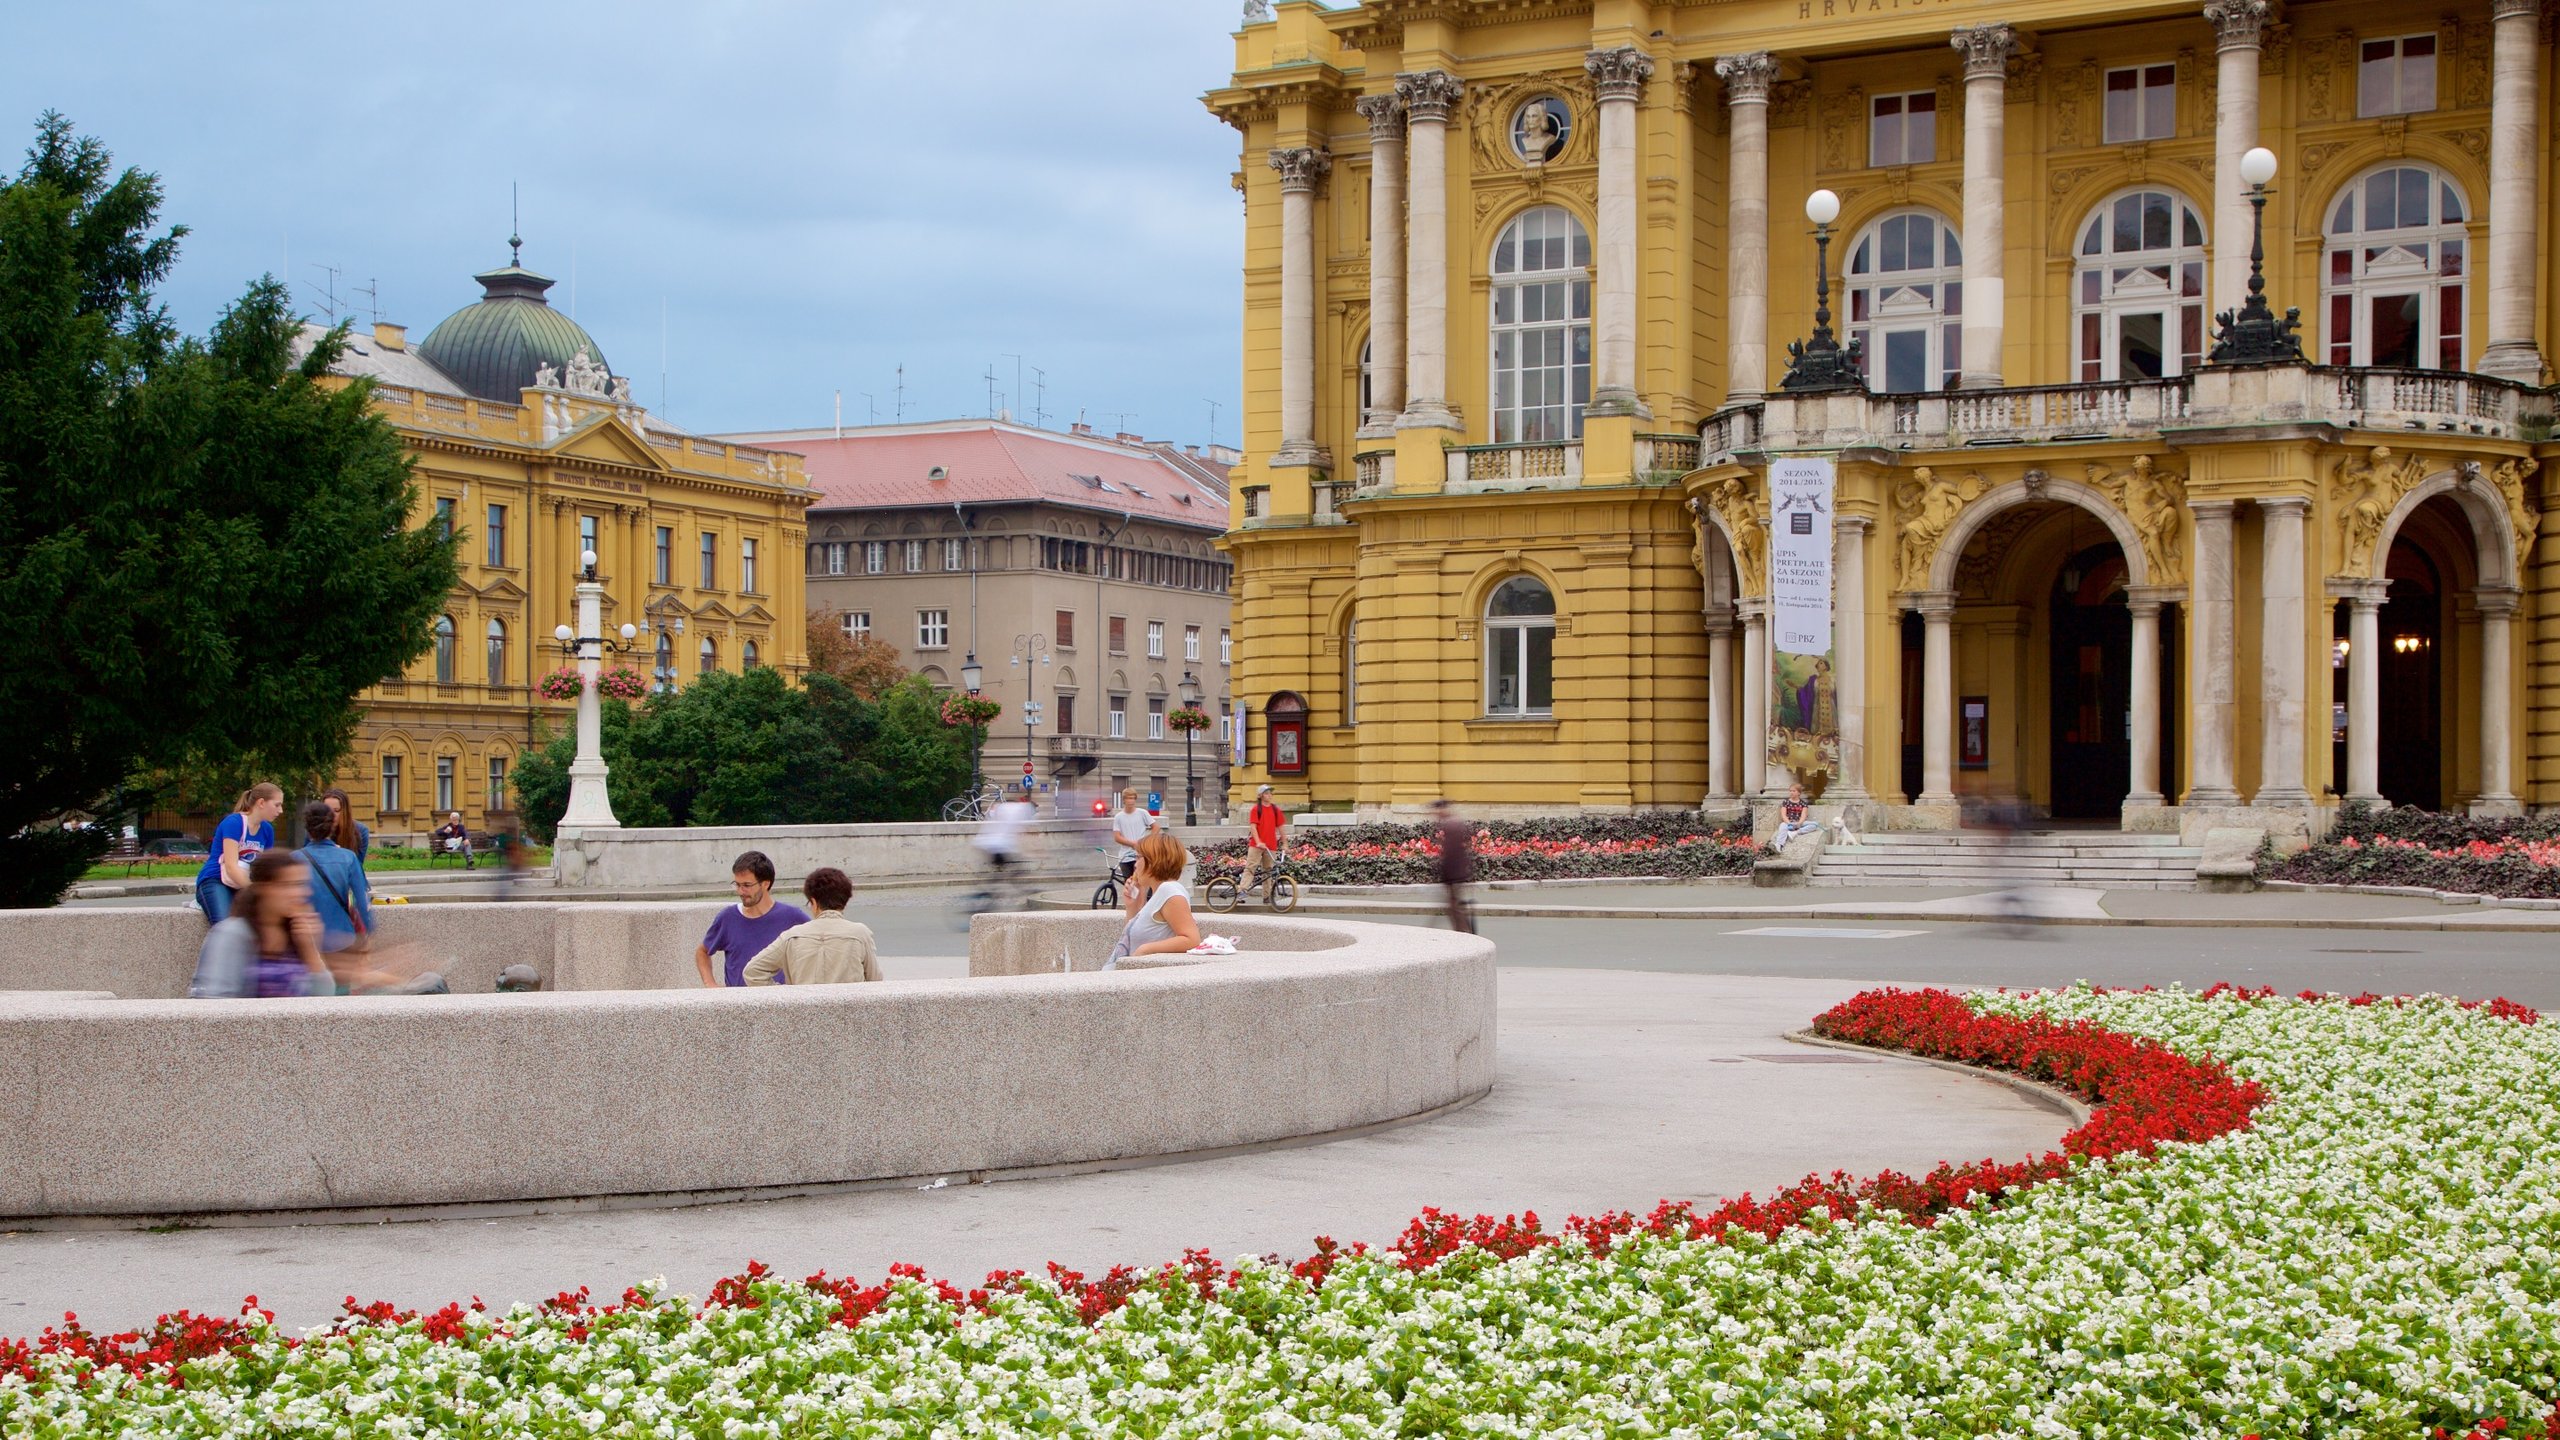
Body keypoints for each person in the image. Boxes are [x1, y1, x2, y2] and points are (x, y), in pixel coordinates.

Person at [190, 848, 330, 998]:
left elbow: (323, 1003)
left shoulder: (298, 934)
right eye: (290, 885)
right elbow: (213, 1000)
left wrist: (310, 951)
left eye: (302, 884)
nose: (302, 893)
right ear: (264, 888)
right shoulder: (232, 933)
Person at [743, 867, 882, 985]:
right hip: (849, 1013)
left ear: (813, 902)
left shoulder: (791, 936)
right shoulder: (859, 933)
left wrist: (785, 996)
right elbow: (875, 980)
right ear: (845, 901)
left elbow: (752, 971)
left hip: (801, 1012)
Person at [694, 850, 811, 988]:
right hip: (737, 1005)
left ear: (765, 884)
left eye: (747, 885)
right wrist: (711, 984)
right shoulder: (727, 917)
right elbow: (702, 952)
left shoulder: (793, 916)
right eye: (737, 884)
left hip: (779, 1002)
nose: (740, 891)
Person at [1107, 830, 1200, 967]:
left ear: (1154, 860)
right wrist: (1133, 906)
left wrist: (1145, 950)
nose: (1135, 864)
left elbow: (1191, 939)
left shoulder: (1169, 890)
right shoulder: (1161, 893)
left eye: (1138, 857)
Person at [195, 783, 283, 924]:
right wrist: (255, 891)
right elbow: (231, 866)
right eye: (277, 805)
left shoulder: (267, 830)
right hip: (216, 880)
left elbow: (265, 869)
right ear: (261, 803)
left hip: (242, 884)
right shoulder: (234, 822)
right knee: (225, 925)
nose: (281, 811)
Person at [976, 793, 1037, 890]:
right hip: (1000, 846)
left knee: (1002, 867)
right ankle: (992, 889)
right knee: (1016, 869)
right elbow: (1028, 832)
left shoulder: (1002, 808)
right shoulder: (1022, 810)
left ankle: (990, 888)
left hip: (989, 844)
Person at [1433, 799, 1475, 935]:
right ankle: (1463, 931)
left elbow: (1451, 853)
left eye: (1438, 810)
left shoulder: (1451, 826)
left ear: (1443, 809)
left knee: (1455, 906)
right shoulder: (1455, 823)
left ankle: (1464, 932)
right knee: (1454, 904)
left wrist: (1445, 875)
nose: (1436, 813)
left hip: (1455, 874)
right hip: (1458, 872)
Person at [1241, 783, 1287, 895]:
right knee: (1250, 868)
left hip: (1271, 845)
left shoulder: (1276, 810)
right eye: (1266, 793)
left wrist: (1285, 844)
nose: (1270, 795)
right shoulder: (1256, 809)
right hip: (1256, 845)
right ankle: (1242, 891)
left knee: (1268, 871)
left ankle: (1267, 896)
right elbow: (1253, 827)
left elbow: (1281, 829)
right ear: (1261, 796)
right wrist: (1258, 842)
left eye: (1270, 793)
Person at [1108, 788, 1157, 882]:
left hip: (1141, 854)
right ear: (1124, 800)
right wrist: (1133, 844)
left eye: (1133, 798)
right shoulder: (1119, 817)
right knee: (1129, 883)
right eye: (1128, 798)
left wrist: (1146, 842)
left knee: (1140, 882)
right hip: (1125, 856)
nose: (1131, 801)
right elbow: (1117, 837)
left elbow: (1155, 827)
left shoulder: (1142, 813)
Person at [322, 788, 370, 865]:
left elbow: (357, 868)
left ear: (345, 812)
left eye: (336, 810)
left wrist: (340, 855)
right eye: (327, 810)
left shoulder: (361, 831)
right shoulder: (315, 831)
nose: (331, 815)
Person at [1770, 783, 1821, 850]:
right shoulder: (1786, 802)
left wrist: (1799, 824)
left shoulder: (1803, 803)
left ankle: (1795, 833)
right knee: (1782, 826)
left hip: (1799, 823)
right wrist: (1789, 823)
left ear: (1799, 793)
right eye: (1790, 791)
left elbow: (1803, 816)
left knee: (1814, 825)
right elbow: (1783, 815)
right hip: (1788, 822)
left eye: (1794, 791)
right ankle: (1779, 845)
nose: (1791, 792)